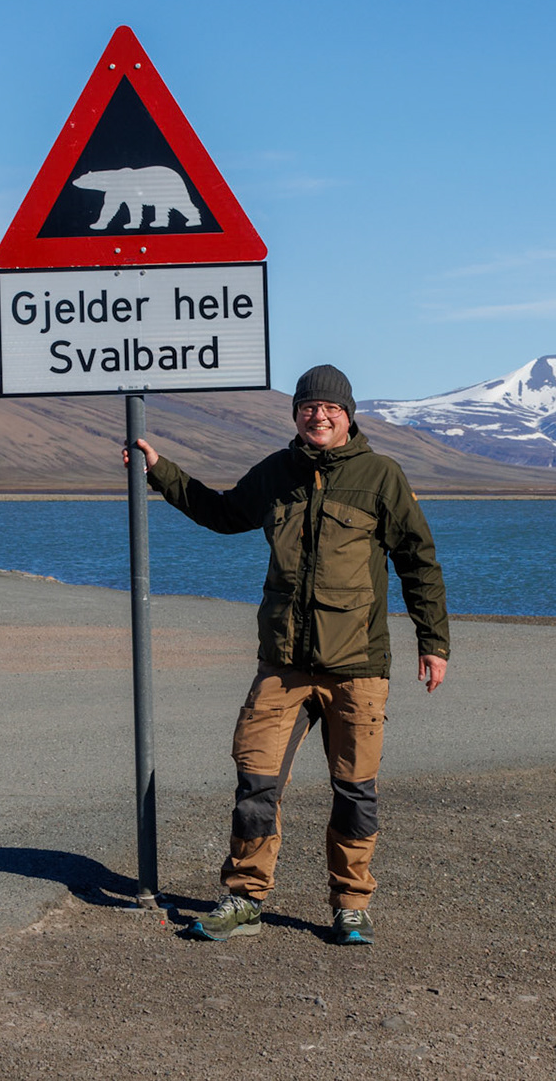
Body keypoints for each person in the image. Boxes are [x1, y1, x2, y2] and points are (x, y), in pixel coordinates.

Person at [125, 365, 449, 945]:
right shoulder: (278, 473)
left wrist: (434, 642)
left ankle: (351, 903)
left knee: (355, 791)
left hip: (358, 669)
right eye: (308, 407)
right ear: (296, 414)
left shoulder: (381, 477)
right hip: (283, 666)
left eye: (330, 409)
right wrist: (160, 473)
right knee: (256, 782)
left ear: (348, 416)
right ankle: (245, 896)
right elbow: (224, 514)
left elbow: (418, 563)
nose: (318, 416)